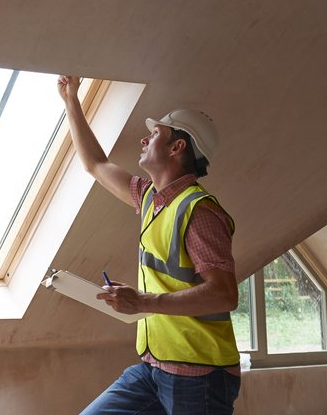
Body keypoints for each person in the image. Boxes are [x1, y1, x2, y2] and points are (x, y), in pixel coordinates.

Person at [57, 75, 241, 415]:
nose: (144, 138)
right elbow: (95, 164)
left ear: (177, 147)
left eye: (156, 134)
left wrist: (142, 301)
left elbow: (224, 294)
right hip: (154, 368)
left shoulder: (198, 211)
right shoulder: (151, 199)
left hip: (200, 375)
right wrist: (71, 102)